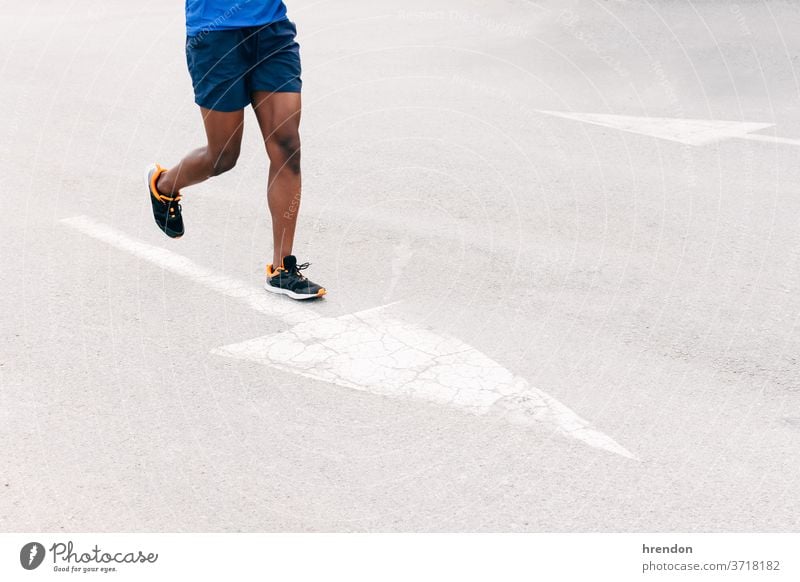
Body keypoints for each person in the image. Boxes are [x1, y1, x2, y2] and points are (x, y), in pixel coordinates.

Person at [145, 0, 326, 300]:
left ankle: (283, 268)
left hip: (271, 30)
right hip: (215, 34)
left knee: (287, 145)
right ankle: (164, 184)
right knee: (223, 155)